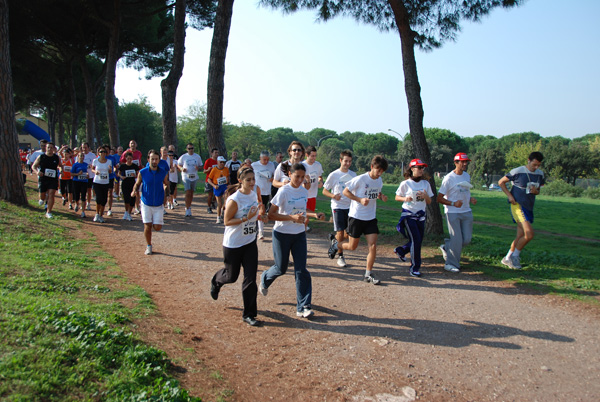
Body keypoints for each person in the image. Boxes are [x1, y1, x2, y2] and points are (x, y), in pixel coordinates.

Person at [259, 163, 325, 319]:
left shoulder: (303, 190)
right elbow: (271, 215)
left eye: (303, 177)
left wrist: (315, 215)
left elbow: (302, 209)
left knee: (301, 270)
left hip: (299, 235)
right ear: (290, 174)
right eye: (297, 176)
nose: (300, 180)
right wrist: (291, 218)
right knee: (281, 268)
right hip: (282, 234)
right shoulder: (283, 191)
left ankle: (303, 306)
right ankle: (265, 278)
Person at [210, 167, 262, 326]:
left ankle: (249, 314)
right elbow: (227, 222)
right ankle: (216, 282)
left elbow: (255, 213)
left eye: (253, 179)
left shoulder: (253, 194)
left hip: (250, 243)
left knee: (250, 279)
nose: (252, 183)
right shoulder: (234, 199)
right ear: (240, 181)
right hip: (233, 244)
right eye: (248, 180)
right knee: (231, 276)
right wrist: (246, 218)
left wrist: (261, 217)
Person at [331, 155, 389, 285]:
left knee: (373, 246)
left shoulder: (379, 181)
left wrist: (381, 197)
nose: (379, 174)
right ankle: (336, 245)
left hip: (371, 218)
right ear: (372, 167)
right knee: (352, 247)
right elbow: (346, 192)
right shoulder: (360, 179)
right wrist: (359, 199)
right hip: (356, 217)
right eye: (378, 170)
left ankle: (368, 274)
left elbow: (376, 193)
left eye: (382, 171)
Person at [498, 151, 545, 269]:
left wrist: (536, 192)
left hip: (529, 206)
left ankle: (507, 258)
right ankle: (515, 257)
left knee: (520, 235)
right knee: (529, 234)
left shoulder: (540, 174)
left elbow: (538, 190)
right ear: (528, 160)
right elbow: (501, 182)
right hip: (518, 206)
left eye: (538, 165)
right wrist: (509, 195)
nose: (536, 167)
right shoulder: (518, 171)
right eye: (534, 164)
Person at [437, 153, 477, 273]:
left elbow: (464, 192)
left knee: (466, 240)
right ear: (456, 162)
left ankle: (447, 247)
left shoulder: (466, 176)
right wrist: (453, 204)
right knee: (457, 240)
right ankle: (450, 264)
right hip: (453, 212)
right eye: (462, 162)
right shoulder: (449, 178)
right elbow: (439, 198)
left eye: (466, 162)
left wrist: (470, 199)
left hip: (466, 211)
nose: (465, 164)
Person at [393, 159, 434, 277]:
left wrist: (425, 196)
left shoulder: (426, 184)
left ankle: (401, 250)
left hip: (421, 215)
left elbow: (430, 201)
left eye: (422, 168)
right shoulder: (406, 183)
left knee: (418, 240)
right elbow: (396, 197)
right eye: (419, 167)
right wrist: (405, 199)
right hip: (408, 214)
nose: (421, 170)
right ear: (412, 169)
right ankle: (414, 268)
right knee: (416, 240)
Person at [322, 150, 356, 267]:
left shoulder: (353, 175)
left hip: (351, 207)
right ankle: (340, 256)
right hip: (338, 206)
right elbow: (324, 190)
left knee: (349, 234)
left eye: (350, 161)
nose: (347, 163)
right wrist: (333, 196)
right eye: (345, 161)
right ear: (340, 160)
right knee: (340, 232)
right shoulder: (334, 175)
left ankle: (334, 240)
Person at [132, 150, 169, 255]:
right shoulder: (142, 172)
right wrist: (134, 190)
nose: (154, 161)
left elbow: (166, 183)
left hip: (158, 203)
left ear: (159, 160)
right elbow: (137, 184)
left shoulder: (162, 172)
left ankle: (154, 222)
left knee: (157, 227)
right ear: (148, 160)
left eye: (156, 159)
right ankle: (149, 246)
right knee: (147, 225)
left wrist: (167, 193)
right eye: (152, 159)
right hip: (146, 202)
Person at [32, 142, 61, 218]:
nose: (49, 149)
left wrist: (61, 171)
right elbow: (34, 166)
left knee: (51, 194)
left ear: (54, 149)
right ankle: (42, 199)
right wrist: (37, 172)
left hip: (53, 179)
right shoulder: (41, 157)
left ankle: (49, 212)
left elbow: (61, 166)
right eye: (48, 147)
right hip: (43, 178)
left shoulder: (56, 157)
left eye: (51, 148)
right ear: (46, 148)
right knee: (42, 196)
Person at [251, 151, 276, 239]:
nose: (266, 161)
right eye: (264, 159)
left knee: (263, 211)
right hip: (256, 191)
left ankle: (260, 231)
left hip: (266, 192)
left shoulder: (271, 165)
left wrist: (272, 178)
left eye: (267, 159)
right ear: (260, 158)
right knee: (256, 210)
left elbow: (274, 175)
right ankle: (256, 230)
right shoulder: (254, 165)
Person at [177, 143, 203, 217]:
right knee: (188, 192)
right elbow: (178, 164)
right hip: (186, 176)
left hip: (194, 176)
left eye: (192, 148)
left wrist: (198, 168)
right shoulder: (184, 156)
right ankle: (187, 209)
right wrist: (182, 169)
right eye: (189, 148)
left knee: (191, 192)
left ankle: (189, 206)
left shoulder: (197, 157)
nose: (191, 150)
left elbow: (201, 166)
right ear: (187, 149)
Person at [91, 147, 113, 223]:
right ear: (99, 153)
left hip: (105, 182)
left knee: (104, 200)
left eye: (104, 152)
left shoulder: (109, 161)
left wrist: (110, 169)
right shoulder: (95, 161)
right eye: (101, 152)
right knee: (98, 198)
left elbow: (110, 172)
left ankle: (101, 215)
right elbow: (92, 169)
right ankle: (97, 214)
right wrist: (95, 172)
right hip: (97, 182)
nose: (103, 153)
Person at [207, 156, 230, 223]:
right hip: (217, 187)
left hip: (224, 186)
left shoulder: (226, 169)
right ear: (217, 162)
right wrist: (214, 185)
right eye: (221, 162)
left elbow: (228, 177)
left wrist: (228, 183)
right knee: (219, 203)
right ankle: (218, 217)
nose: (222, 163)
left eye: (223, 162)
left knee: (226, 202)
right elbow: (209, 179)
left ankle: (223, 213)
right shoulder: (214, 169)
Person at [118, 151, 140, 221]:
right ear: (126, 159)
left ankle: (130, 213)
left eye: (131, 158)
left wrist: (135, 175)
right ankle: (126, 212)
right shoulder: (123, 166)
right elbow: (118, 173)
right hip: (125, 183)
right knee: (126, 198)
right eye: (128, 158)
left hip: (132, 184)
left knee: (132, 199)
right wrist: (122, 177)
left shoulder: (134, 166)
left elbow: (138, 174)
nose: (129, 160)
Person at [70, 152, 89, 217]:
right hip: (76, 181)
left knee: (83, 196)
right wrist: (77, 174)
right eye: (80, 156)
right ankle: (76, 204)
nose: (82, 157)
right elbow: (71, 174)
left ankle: (83, 212)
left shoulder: (86, 165)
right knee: (77, 195)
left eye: (83, 156)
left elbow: (88, 173)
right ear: (78, 157)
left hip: (84, 181)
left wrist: (87, 175)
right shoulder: (75, 165)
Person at [30, 140, 47, 206]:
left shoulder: (52, 154)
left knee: (49, 189)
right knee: (42, 187)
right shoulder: (36, 153)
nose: (43, 147)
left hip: (49, 174)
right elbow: (32, 163)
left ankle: (46, 203)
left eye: (44, 146)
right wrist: (37, 171)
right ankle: (42, 198)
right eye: (42, 145)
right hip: (40, 173)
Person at [80, 143, 96, 211]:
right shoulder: (80, 155)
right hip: (82, 176)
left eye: (85, 147)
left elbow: (95, 164)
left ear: (88, 148)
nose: (84, 149)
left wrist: (91, 166)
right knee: (82, 191)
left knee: (89, 190)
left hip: (90, 175)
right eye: (83, 147)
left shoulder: (92, 155)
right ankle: (82, 203)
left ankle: (88, 204)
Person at [203, 148, 219, 213]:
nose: (217, 154)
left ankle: (213, 201)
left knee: (217, 195)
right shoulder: (208, 161)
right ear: (212, 153)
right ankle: (209, 207)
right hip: (209, 180)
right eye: (215, 152)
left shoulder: (219, 161)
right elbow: (204, 171)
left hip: (217, 180)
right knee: (210, 194)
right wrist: (208, 170)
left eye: (217, 153)